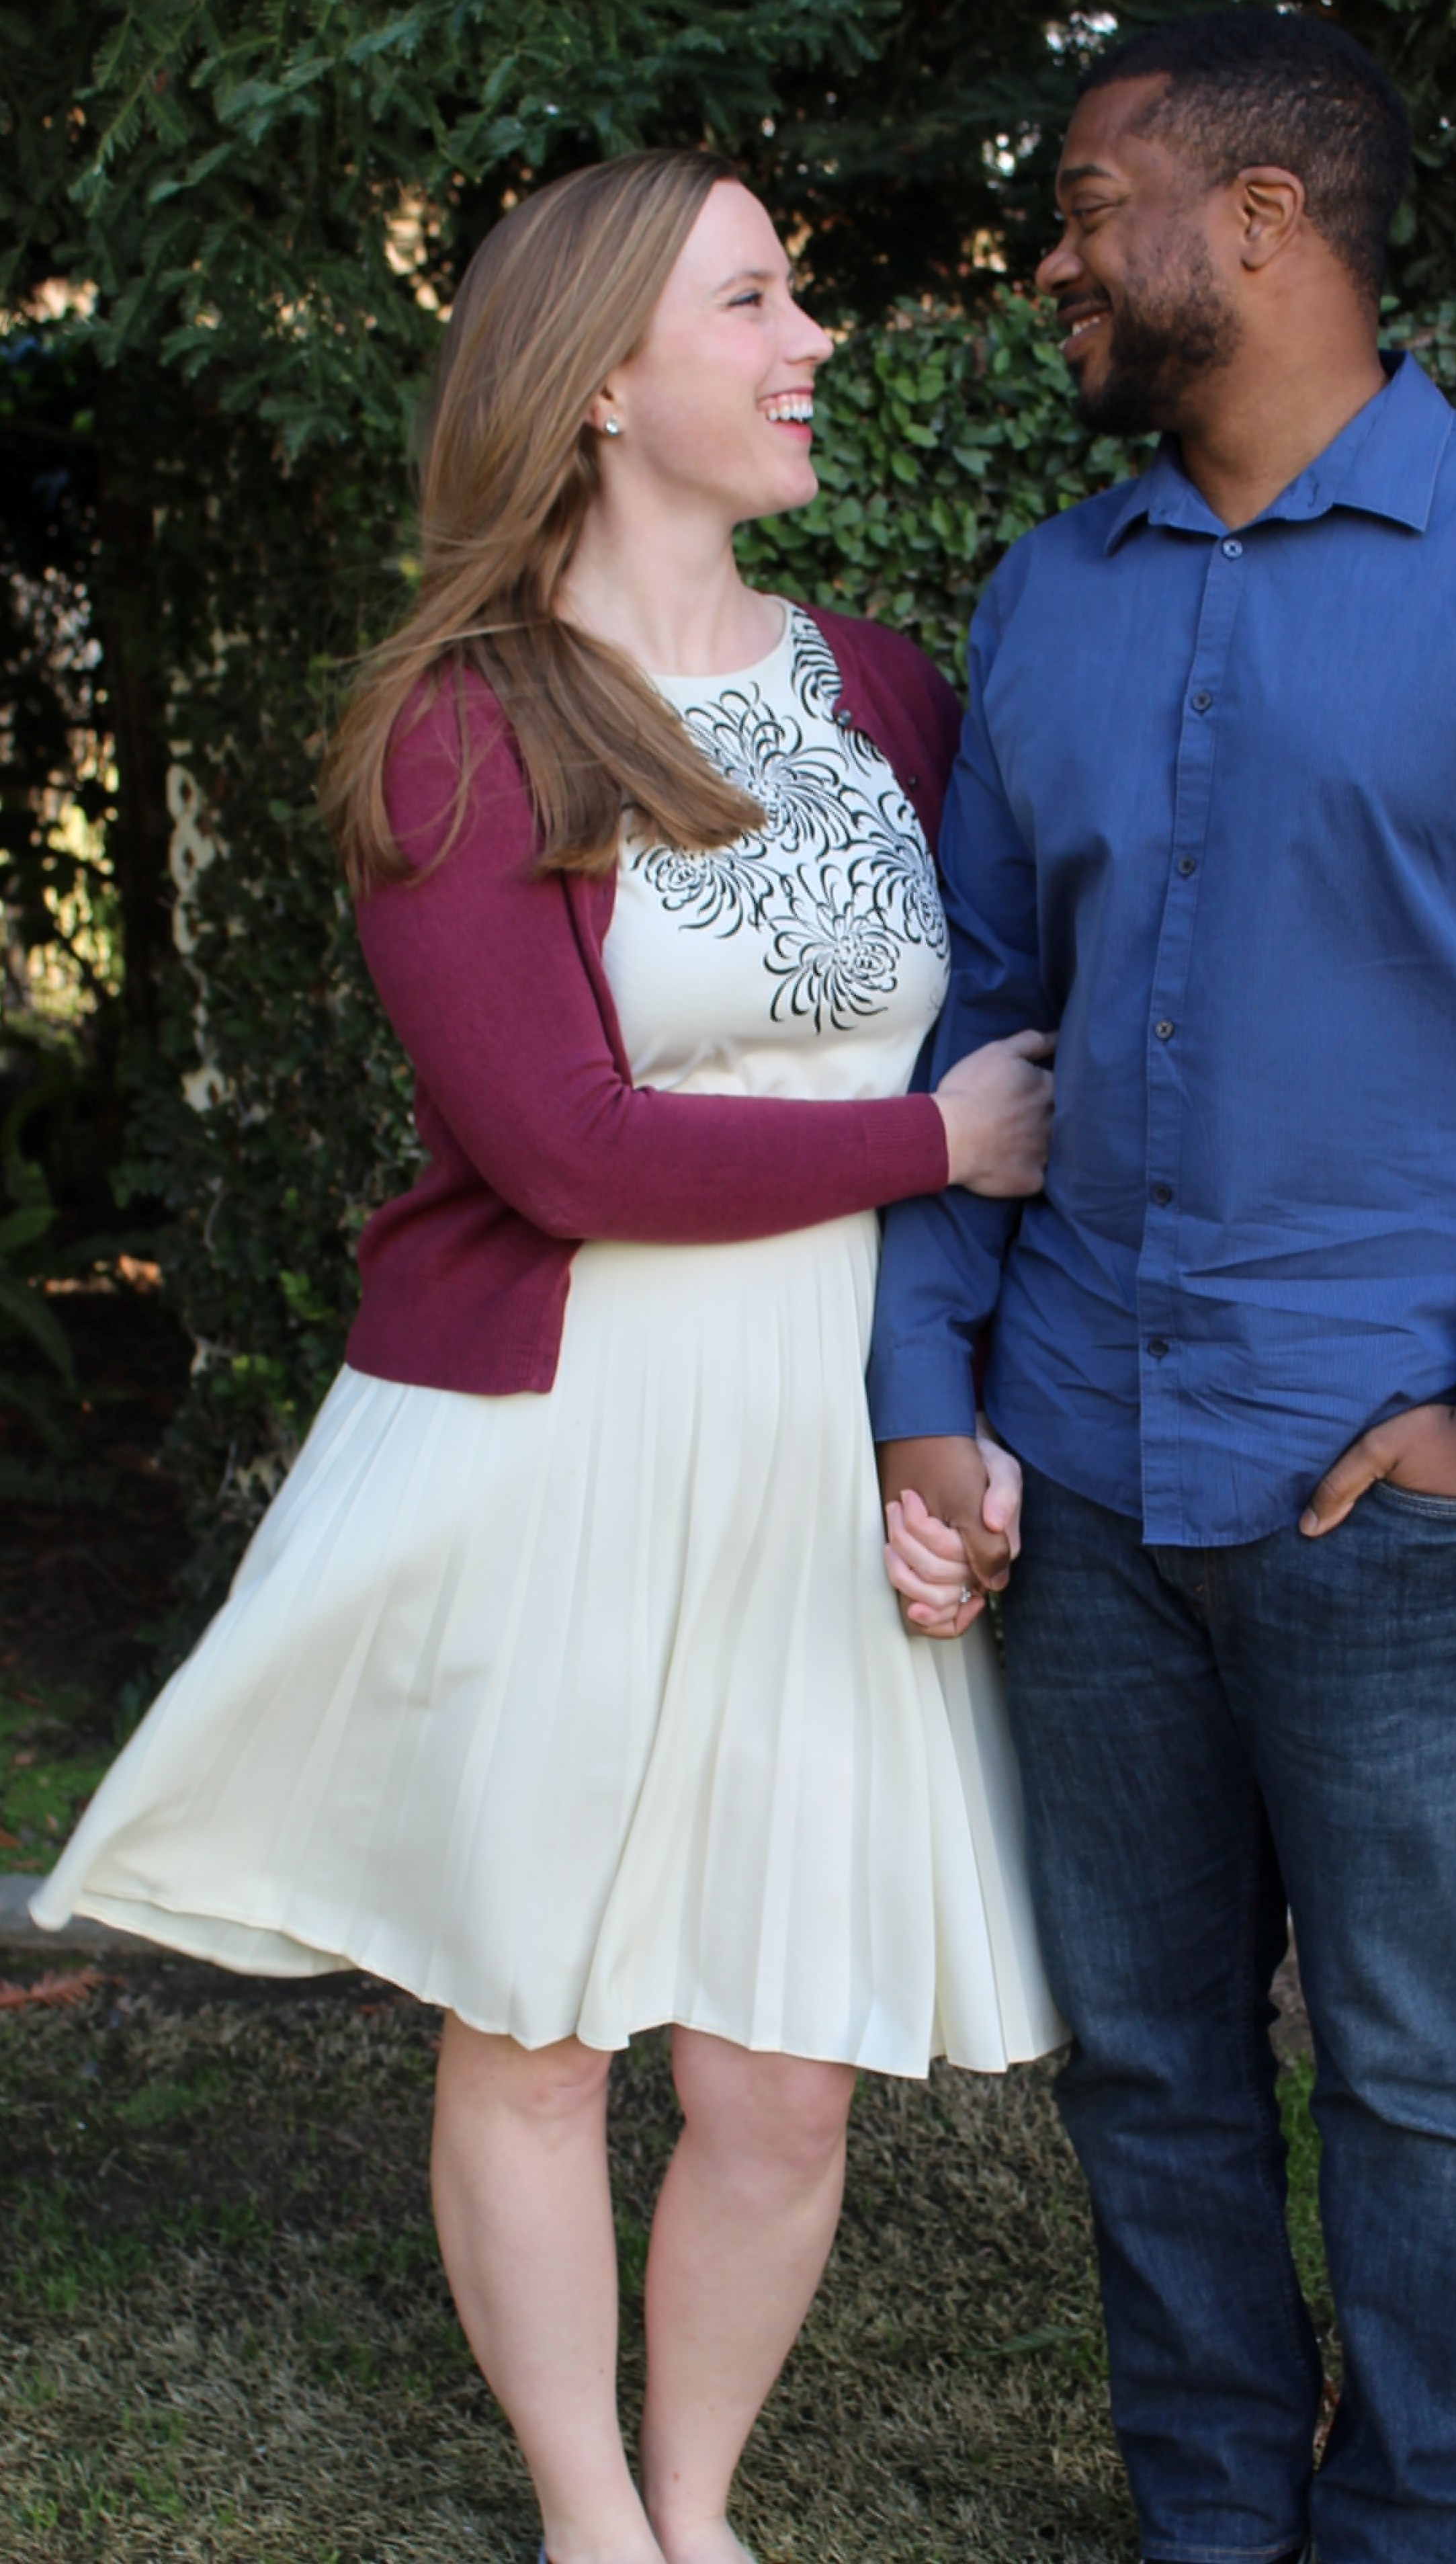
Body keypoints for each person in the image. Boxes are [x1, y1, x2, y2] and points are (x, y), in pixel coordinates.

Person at [34, 149, 1065, 2564]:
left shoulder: (880, 689)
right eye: (754, 301)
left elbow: (985, 1050)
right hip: (562, 1424)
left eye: (798, 295)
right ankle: (594, 2521)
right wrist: (934, 1139)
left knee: (781, 2067)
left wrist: (955, 1419)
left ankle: (701, 2503)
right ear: (600, 380)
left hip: (826, 1423)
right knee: (538, 2022)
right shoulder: (461, 721)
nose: (810, 341)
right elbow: (562, 1148)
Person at [871, 10, 1456, 2564]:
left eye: (1087, 204)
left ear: (1259, 221)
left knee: (1419, 2066)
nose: (1050, 259)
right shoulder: (1048, 596)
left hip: (1397, 1489)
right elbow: (979, 1020)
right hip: (1079, 1466)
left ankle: (1415, 2529)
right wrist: (929, 1380)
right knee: (1146, 2059)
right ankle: (1208, 2519)